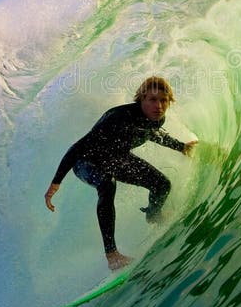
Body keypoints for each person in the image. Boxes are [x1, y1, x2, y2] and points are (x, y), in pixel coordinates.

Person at [44, 76, 197, 270]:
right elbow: (76, 148)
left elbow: (151, 134)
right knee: (107, 184)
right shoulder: (119, 117)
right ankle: (112, 255)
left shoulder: (155, 118)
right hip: (86, 160)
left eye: (164, 100)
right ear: (141, 99)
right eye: (152, 99)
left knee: (162, 185)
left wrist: (182, 147)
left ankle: (153, 215)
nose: (158, 105)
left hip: (117, 158)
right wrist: (56, 183)